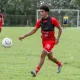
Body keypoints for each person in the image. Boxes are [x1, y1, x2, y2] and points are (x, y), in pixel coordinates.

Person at [19, 5, 62, 77]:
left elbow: (60, 29)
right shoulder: (39, 21)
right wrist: (24, 36)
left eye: (42, 11)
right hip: (44, 41)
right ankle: (59, 64)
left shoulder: (53, 20)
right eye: (40, 11)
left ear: (46, 12)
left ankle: (36, 71)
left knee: (43, 54)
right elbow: (34, 30)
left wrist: (57, 38)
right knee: (50, 57)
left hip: (51, 41)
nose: (41, 13)